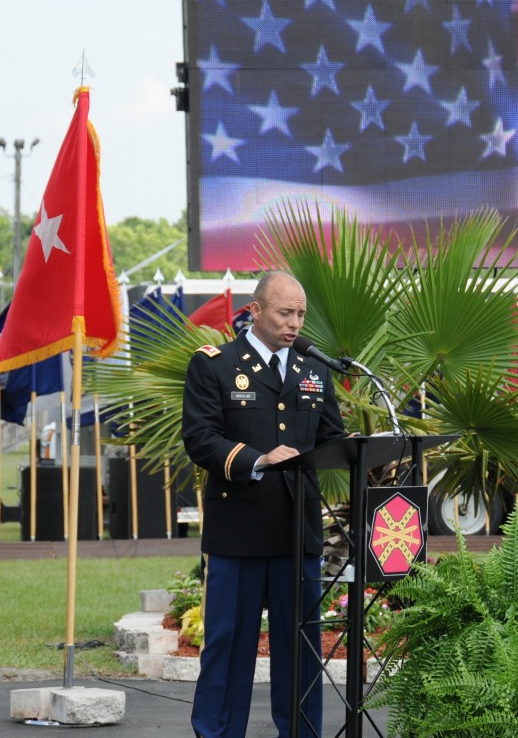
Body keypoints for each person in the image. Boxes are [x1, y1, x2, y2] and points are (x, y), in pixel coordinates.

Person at [183, 271, 346, 738]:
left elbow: (331, 439)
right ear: (255, 311)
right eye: (284, 313)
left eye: (300, 314)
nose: (295, 323)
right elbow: (201, 438)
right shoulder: (214, 364)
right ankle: (217, 732)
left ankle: (301, 731)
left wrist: (371, 451)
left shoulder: (312, 369)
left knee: (301, 646)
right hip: (240, 529)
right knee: (229, 642)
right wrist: (258, 459)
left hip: (298, 531)